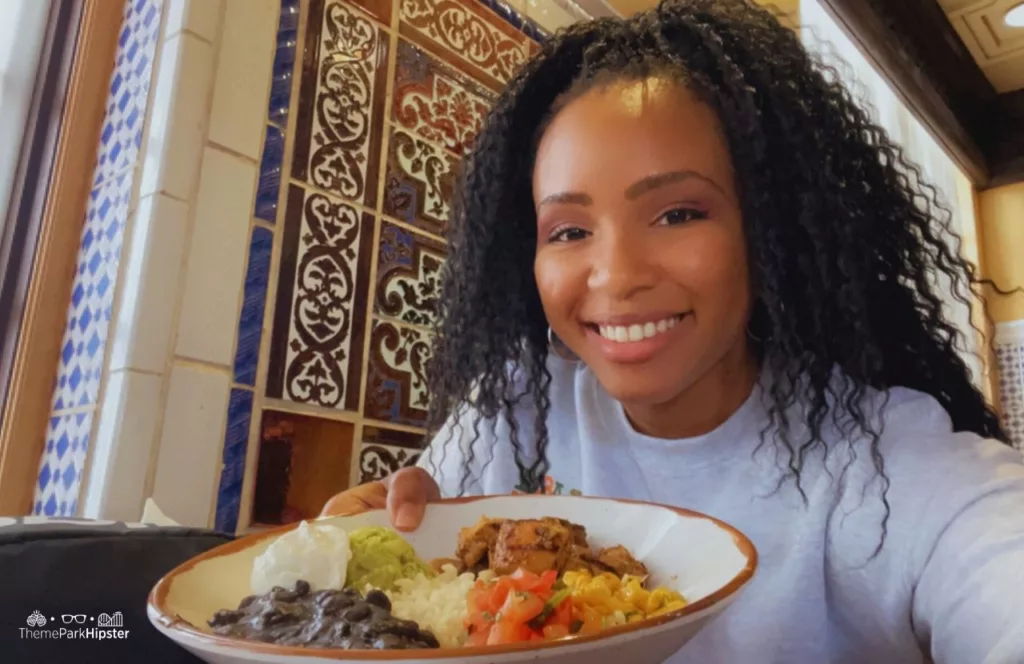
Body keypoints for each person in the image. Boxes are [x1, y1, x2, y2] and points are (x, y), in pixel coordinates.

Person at [324, 1, 1024, 661]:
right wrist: (364, 555)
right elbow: (403, 557)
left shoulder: (882, 461)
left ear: (768, 229)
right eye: (568, 231)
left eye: (679, 214)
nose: (617, 275)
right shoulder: (510, 414)